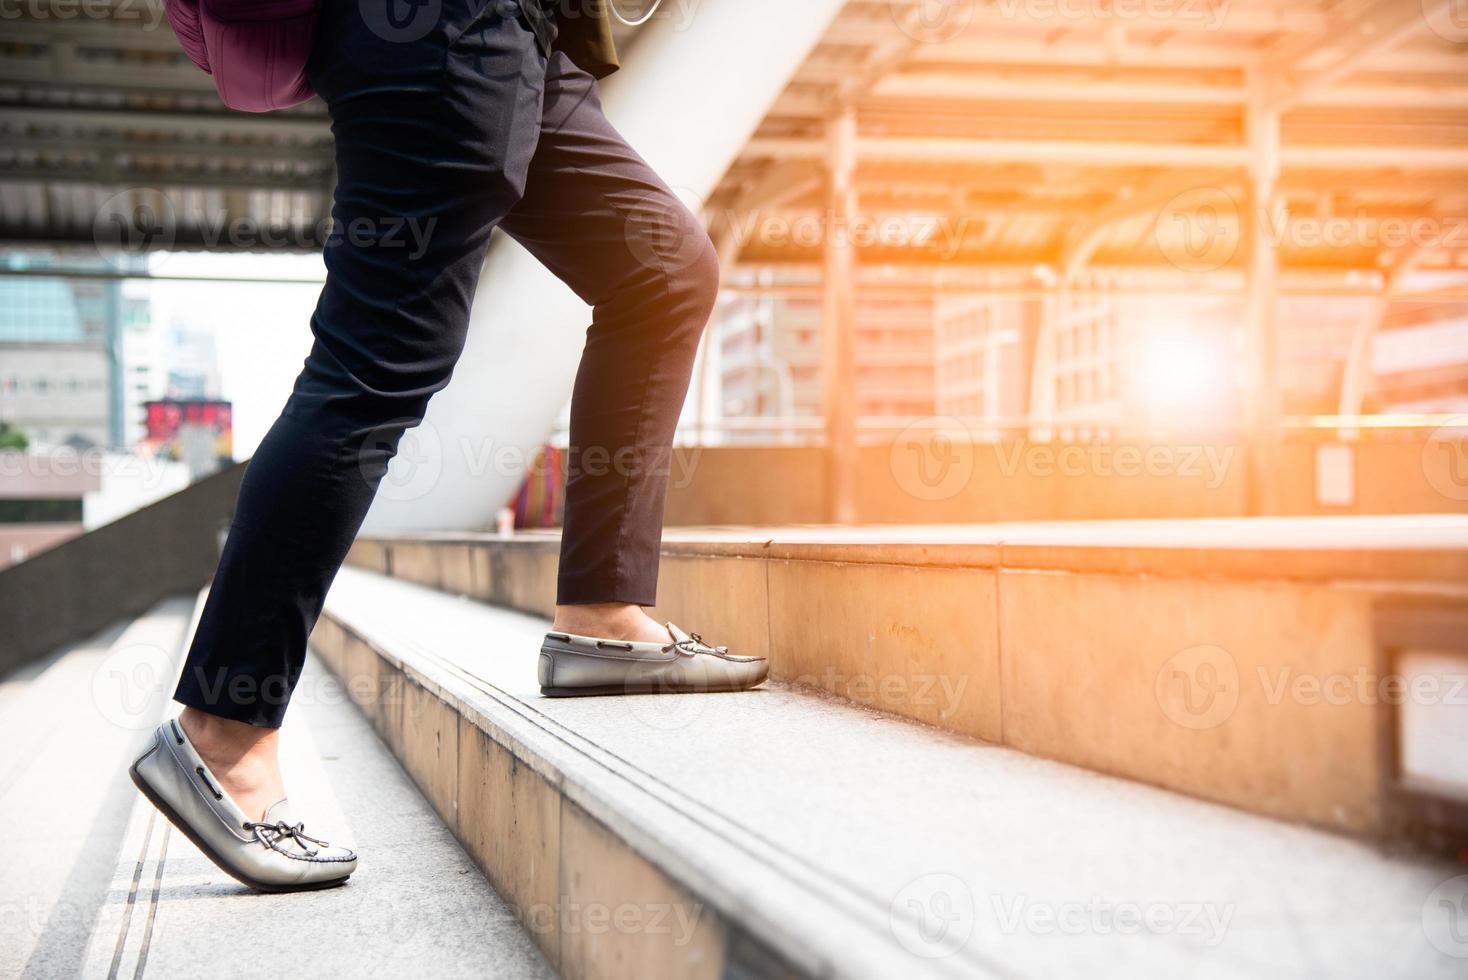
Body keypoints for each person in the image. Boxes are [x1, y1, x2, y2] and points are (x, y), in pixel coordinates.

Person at [129, 0, 767, 892]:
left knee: (661, 268)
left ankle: (603, 617)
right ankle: (223, 737)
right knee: (375, 362)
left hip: (527, 37)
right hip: (442, 30)